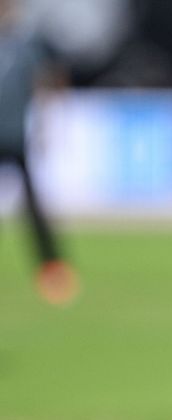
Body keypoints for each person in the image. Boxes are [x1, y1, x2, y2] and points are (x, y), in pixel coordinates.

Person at [0, 0, 78, 304]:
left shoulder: (25, 43)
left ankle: (51, 268)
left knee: (33, 208)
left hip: (15, 137)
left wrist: (47, 123)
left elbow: (44, 81)